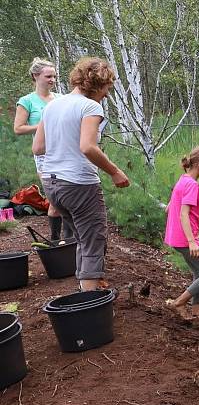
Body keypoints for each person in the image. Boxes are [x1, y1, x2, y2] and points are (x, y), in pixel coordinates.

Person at [34, 57, 130, 292]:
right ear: (96, 83)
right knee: (93, 240)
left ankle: (88, 285)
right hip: (78, 184)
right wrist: (115, 172)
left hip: (52, 183)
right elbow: (87, 147)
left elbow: (38, 148)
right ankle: (89, 302)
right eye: (107, 89)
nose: (106, 95)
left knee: (82, 237)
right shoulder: (90, 107)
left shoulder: (52, 105)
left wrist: (64, 141)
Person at [14, 57, 69, 240]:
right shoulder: (27, 101)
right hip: (44, 154)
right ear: (36, 76)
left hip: (65, 151)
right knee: (55, 199)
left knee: (68, 197)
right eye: (48, 76)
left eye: (54, 76)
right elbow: (18, 128)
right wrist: (44, 125)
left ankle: (69, 240)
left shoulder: (61, 98)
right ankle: (55, 240)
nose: (52, 80)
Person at [164, 146, 199, 322]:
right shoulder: (193, 185)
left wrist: (198, 217)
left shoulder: (183, 180)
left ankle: (197, 312)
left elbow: (170, 208)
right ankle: (179, 303)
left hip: (176, 237)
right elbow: (183, 213)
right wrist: (192, 241)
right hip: (185, 239)